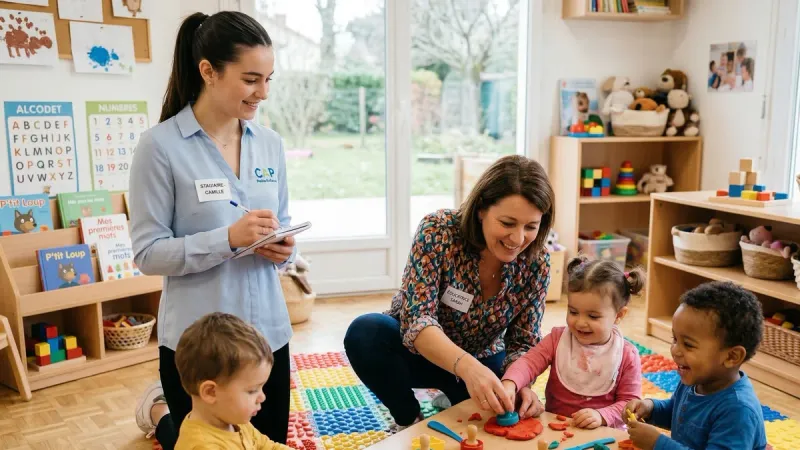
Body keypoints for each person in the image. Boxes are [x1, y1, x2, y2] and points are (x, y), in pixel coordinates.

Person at [129, 11, 295, 449]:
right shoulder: (159, 148)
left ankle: (159, 411)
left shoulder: (271, 144)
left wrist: (284, 249)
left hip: (266, 339)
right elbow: (148, 254)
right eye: (250, 79)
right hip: (200, 347)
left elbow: (281, 222)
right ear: (208, 71)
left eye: (268, 79)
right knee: (197, 440)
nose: (263, 93)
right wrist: (227, 239)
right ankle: (162, 412)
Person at [344, 155, 555, 429]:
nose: (517, 239)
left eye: (530, 227)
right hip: (417, 355)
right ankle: (408, 417)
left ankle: (452, 397)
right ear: (481, 210)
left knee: (498, 416)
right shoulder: (439, 230)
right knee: (366, 332)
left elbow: (523, 342)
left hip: (483, 359)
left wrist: (518, 383)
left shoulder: (537, 263)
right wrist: (468, 368)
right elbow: (418, 319)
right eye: (507, 223)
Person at [501, 256, 644, 429]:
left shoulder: (626, 354)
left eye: (593, 316)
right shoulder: (557, 339)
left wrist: (602, 416)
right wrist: (510, 383)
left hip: (603, 435)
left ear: (619, 315)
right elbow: (528, 363)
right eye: (573, 312)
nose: (580, 322)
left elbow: (630, 403)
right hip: (556, 430)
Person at [624, 281, 768, 450]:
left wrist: (658, 444)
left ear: (732, 356)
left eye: (688, 345)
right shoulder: (696, 378)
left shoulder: (738, 410)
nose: (675, 350)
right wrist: (650, 408)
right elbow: (678, 414)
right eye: (675, 339)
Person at [173, 312, 292, 450]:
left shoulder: (235, 421)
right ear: (211, 392)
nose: (262, 397)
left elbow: (265, 446)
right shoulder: (201, 446)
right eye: (252, 390)